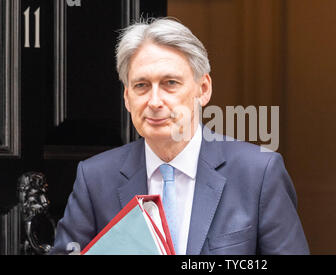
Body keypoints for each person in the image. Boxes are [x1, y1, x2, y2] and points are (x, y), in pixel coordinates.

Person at [51, 18, 309, 255]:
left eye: (170, 83)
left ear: (203, 89)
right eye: (141, 86)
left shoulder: (259, 173)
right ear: (127, 98)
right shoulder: (95, 178)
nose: (154, 101)